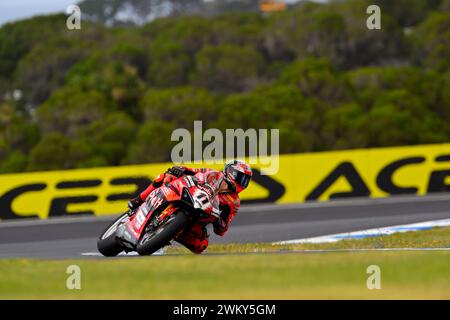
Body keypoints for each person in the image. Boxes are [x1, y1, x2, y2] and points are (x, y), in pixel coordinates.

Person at [127, 160, 252, 254]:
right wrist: (179, 169)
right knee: (164, 177)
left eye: (245, 180)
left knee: (201, 246)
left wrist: (220, 222)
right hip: (187, 195)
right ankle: (138, 200)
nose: (242, 182)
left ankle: (166, 235)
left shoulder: (234, 202)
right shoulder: (213, 174)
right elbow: (193, 171)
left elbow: (222, 229)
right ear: (230, 171)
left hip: (200, 217)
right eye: (240, 177)